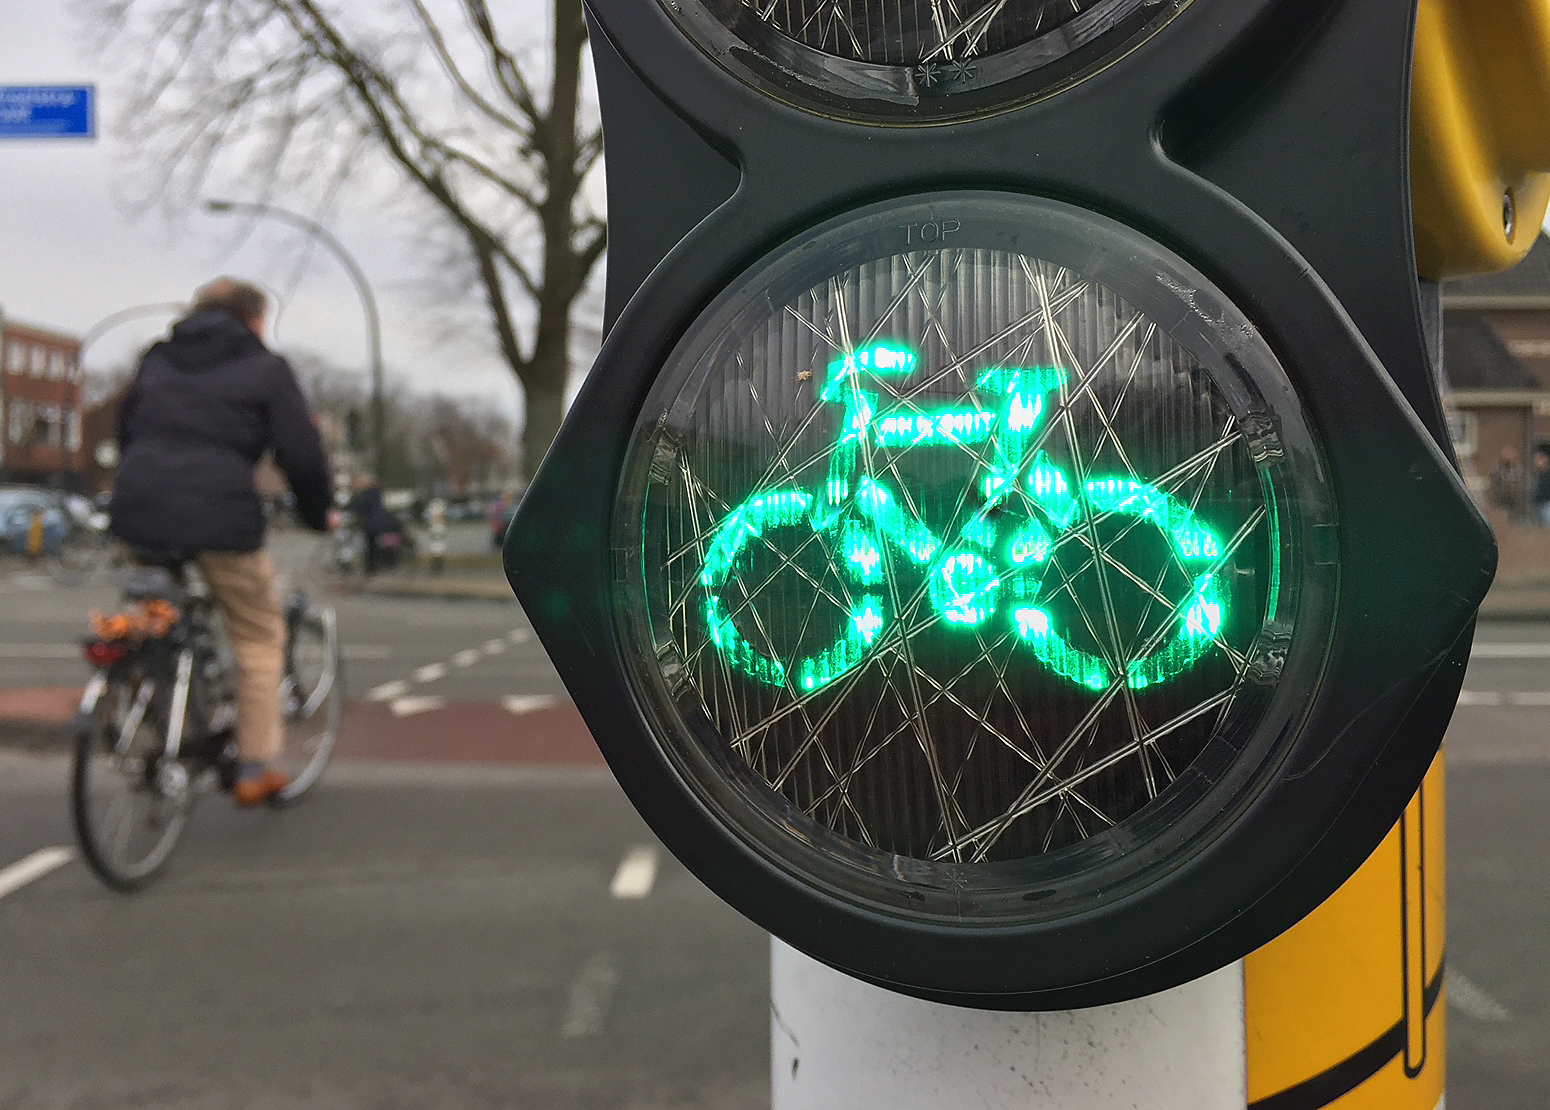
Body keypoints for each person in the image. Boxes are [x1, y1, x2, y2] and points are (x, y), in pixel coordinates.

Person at [110, 278, 332, 807]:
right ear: (253, 319)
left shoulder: (156, 360)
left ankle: (156, 724)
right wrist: (317, 512)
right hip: (221, 518)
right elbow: (300, 451)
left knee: (153, 624)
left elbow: (126, 429)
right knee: (258, 636)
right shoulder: (266, 368)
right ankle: (253, 767)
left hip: (139, 509)